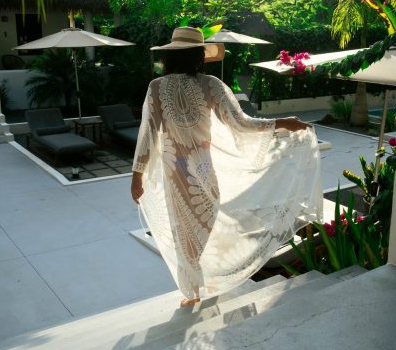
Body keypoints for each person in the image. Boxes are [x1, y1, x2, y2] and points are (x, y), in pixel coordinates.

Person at [131, 27, 323, 307]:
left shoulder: (202, 85)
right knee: (189, 228)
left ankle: (194, 282)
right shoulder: (183, 86)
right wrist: (284, 122)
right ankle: (193, 289)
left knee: (191, 228)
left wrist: (137, 176)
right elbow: (242, 124)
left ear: (172, 55)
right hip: (185, 171)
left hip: (184, 170)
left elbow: (149, 134)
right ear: (198, 55)